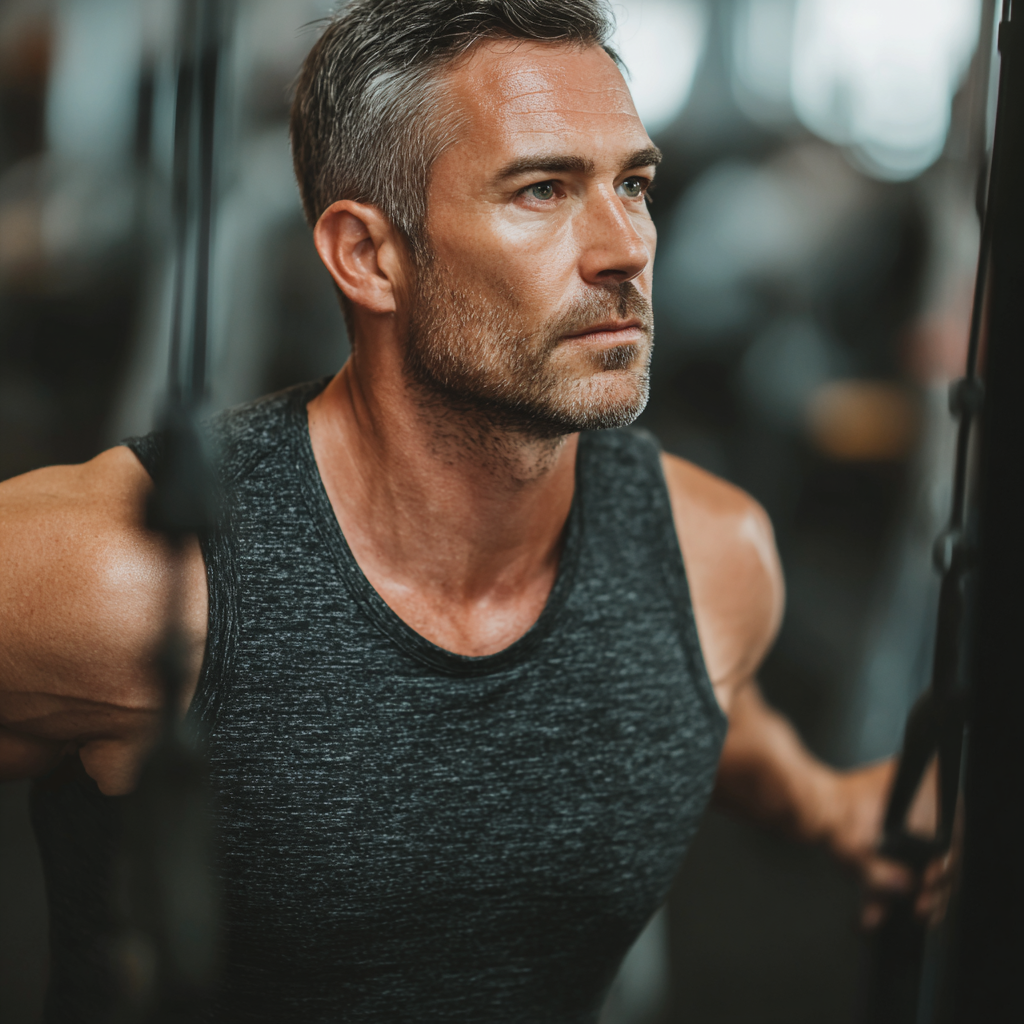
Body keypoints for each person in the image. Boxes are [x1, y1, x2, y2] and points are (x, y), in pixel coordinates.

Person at [0, 1, 947, 1020]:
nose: (624, 246)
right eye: (542, 190)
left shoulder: (711, 554)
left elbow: (707, 707)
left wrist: (830, 807)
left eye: (633, 184)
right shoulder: (124, 575)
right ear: (367, 255)